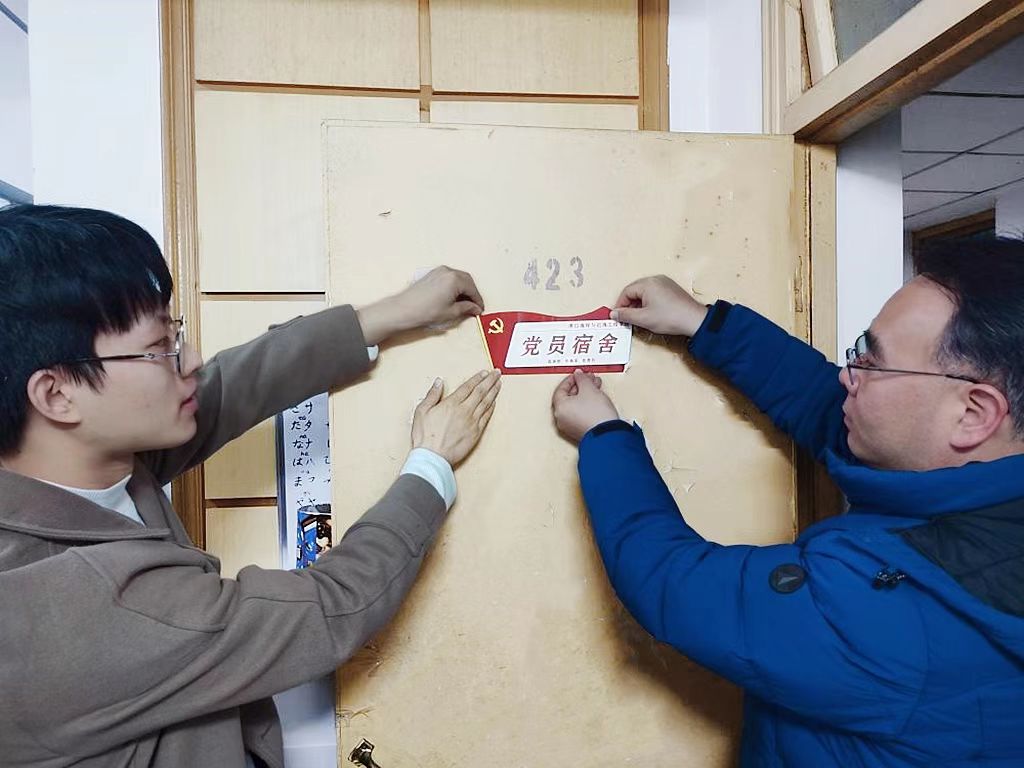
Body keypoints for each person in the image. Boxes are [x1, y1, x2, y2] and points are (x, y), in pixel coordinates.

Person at [0, 204, 501, 767]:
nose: (190, 360)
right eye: (159, 348)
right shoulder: (72, 608)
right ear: (56, 395)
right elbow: (328, 609)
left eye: (175, 333)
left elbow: (225, 391)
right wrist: (431, 465)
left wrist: (390, 315)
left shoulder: (62, 464)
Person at [551, 238, 1024, 766]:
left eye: (873, 364)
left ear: (973, 413)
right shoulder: (988, 492)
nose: (847, 375)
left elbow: (674, 584)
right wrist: (703, 323)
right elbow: (831, 409)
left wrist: (604, 437)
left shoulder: (902, 611)